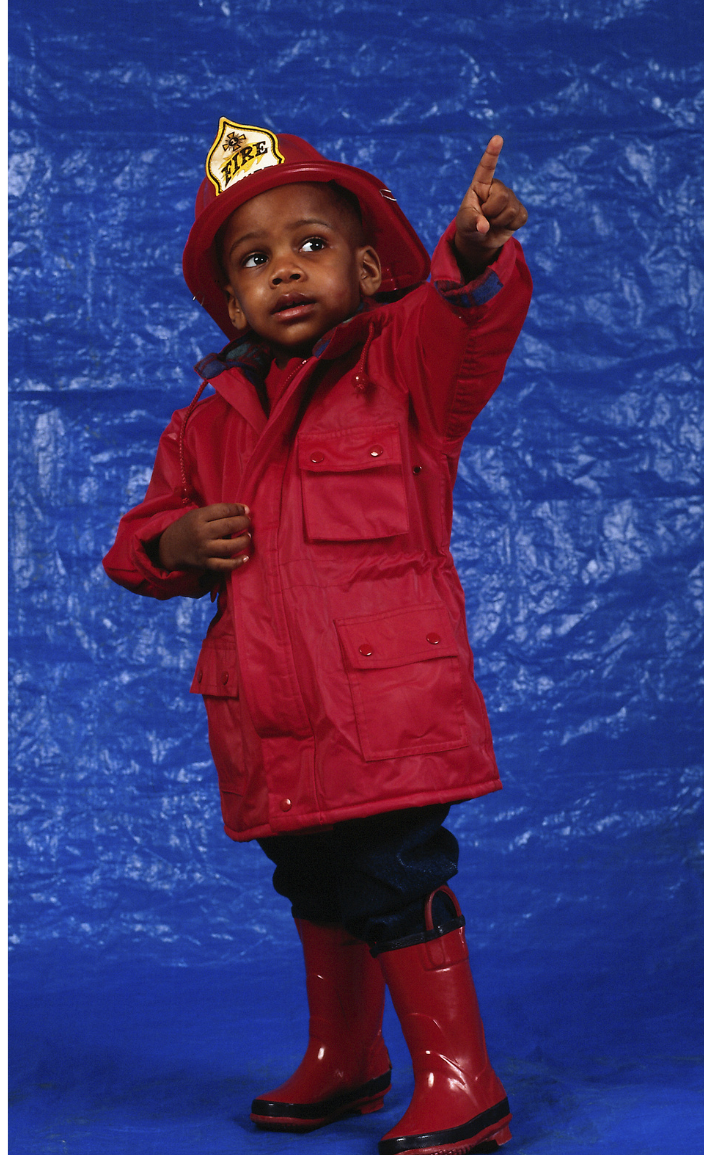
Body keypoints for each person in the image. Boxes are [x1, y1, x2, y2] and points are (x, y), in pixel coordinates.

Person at [103, 117, 531, 1155]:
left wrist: (470, 255)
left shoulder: (406, 365)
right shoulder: (206, 419)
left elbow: (465, 319)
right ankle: (347, 1057)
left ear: (369, 268)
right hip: (272, 712)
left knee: (394, 875)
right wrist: (175, 539)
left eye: (310, 244)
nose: (285, 270)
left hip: (384, 707)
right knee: (313, 878)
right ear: (230, 300)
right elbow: (133, 547)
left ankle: (462, 1079)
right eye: (255, 259)